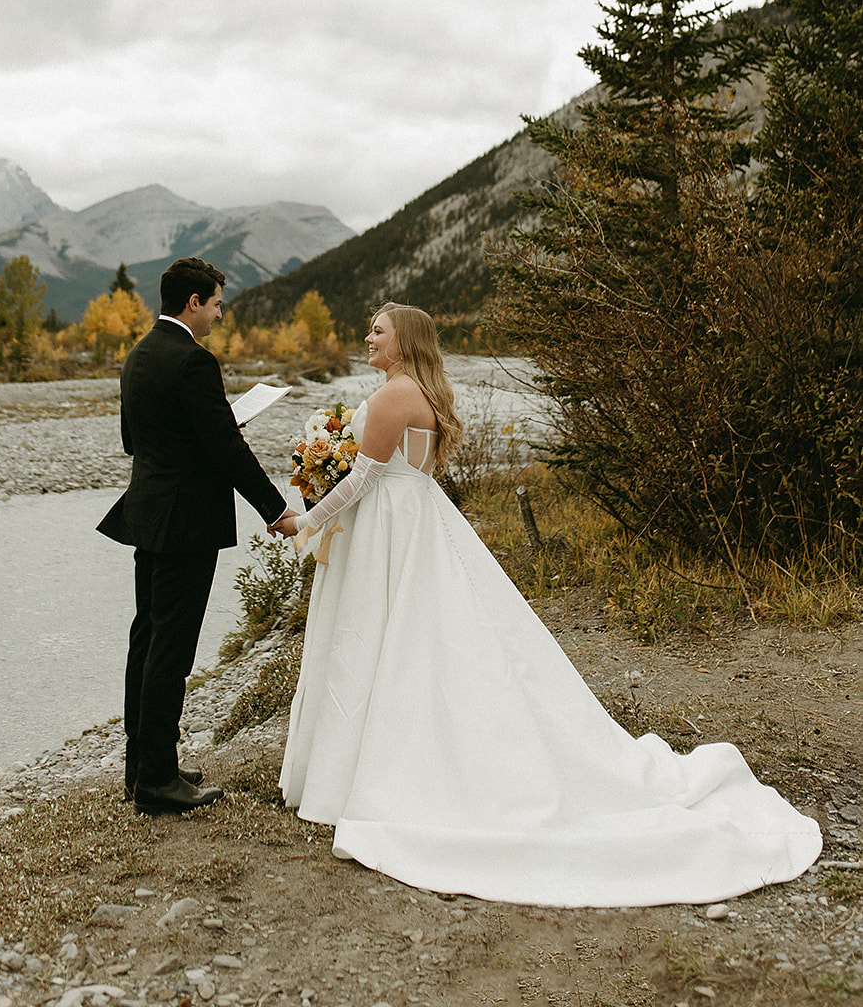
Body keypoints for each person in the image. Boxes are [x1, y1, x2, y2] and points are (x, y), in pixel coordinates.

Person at [275, 302, 822, 907]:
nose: (368, 336)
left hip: (390, 530)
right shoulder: (414, 392)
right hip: (415, 523)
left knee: (384, 639)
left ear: (404, 342)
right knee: (423, 640)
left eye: (378, 329)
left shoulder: (390, 397)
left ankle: (375, 772)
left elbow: (361, 481)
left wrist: (305, 520)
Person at [97, 257, 297, 815]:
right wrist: (275, 509)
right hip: (186, 522)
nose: (216, 314)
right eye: (214, 304)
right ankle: (159, 782)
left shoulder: (138, 356)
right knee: (173, 647)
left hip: (147, 514)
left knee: (147, 639)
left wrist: (204, 429)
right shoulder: (194, 362)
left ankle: (142, 767)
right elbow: (226, 452)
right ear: (193, 302)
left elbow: (134, 441)